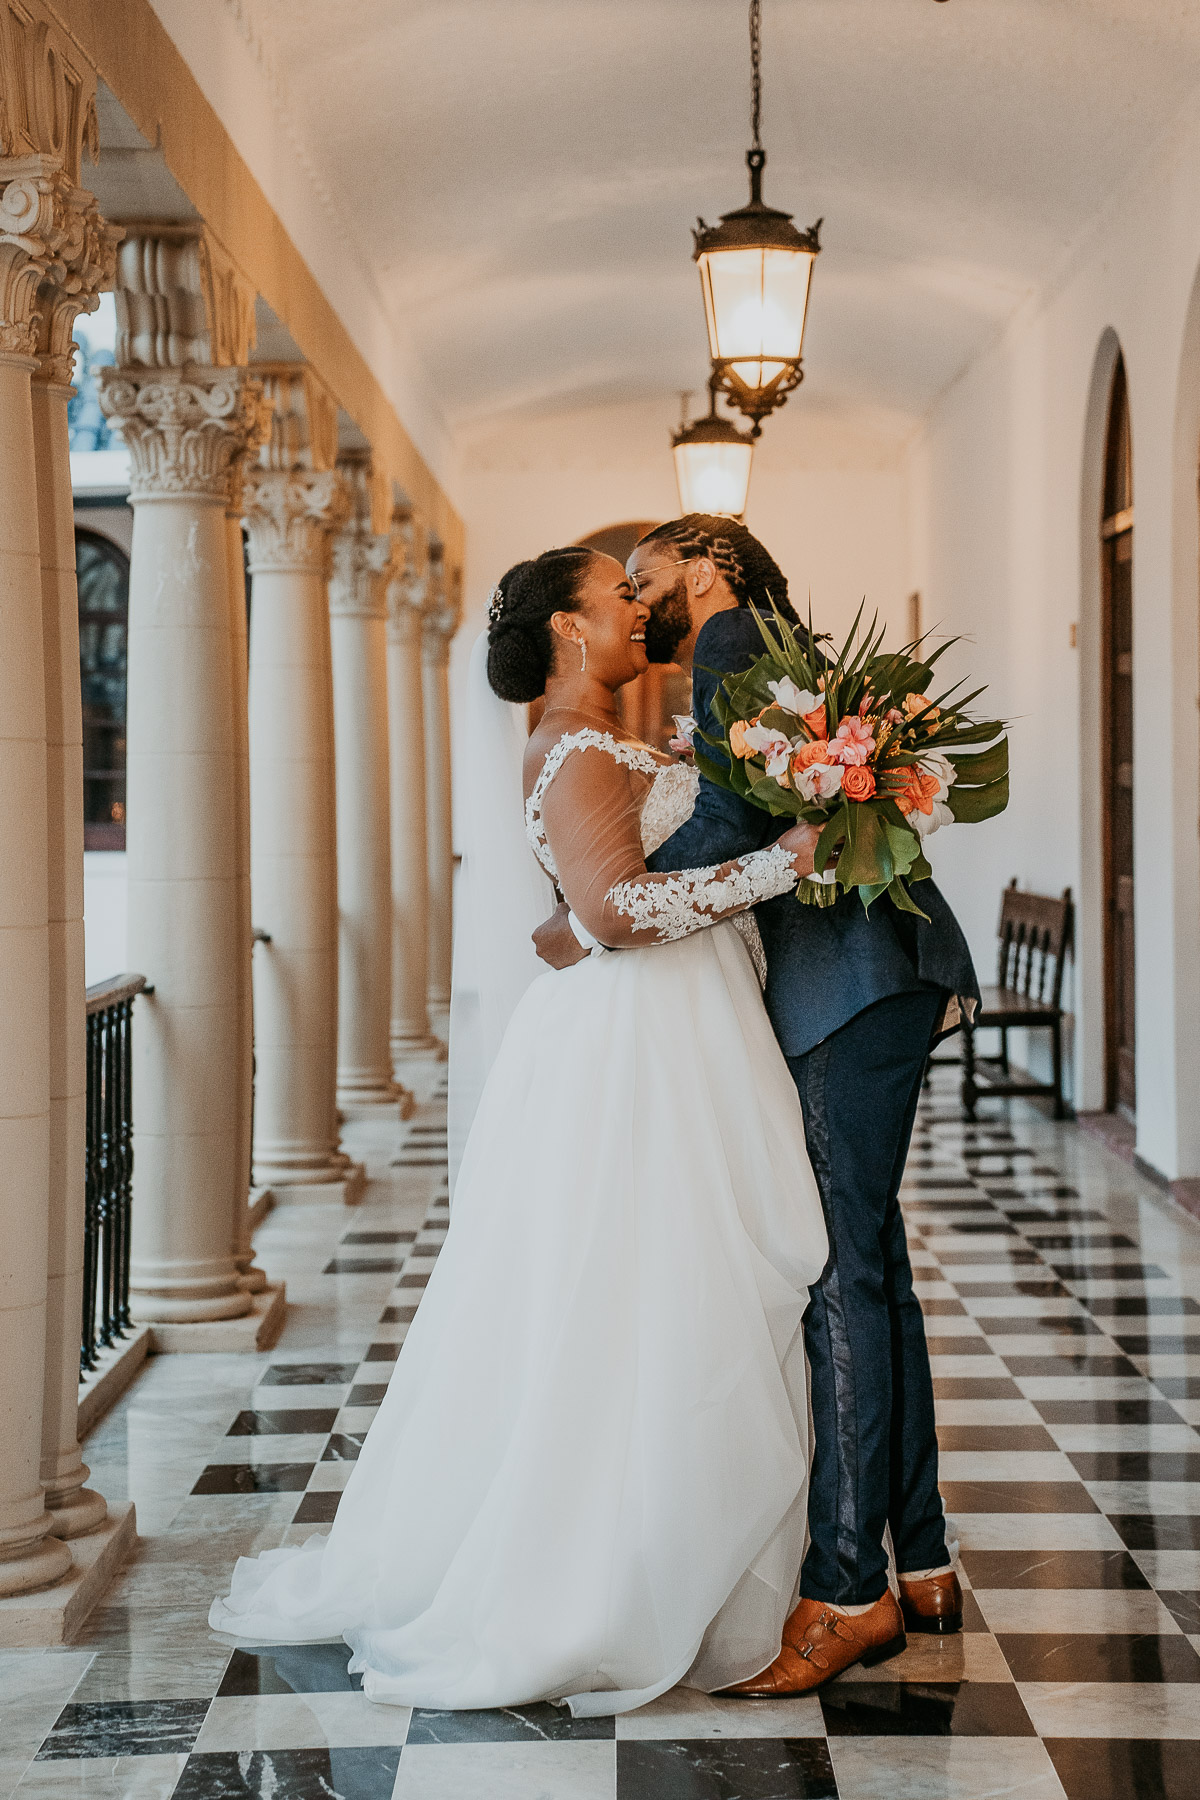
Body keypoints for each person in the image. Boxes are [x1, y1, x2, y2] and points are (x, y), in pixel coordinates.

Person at [210, 545, 832, 1715]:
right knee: (636, 1298)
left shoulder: (603, 739)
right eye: (614, 596)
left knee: (668, 1292)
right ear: (564, 630)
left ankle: (671, 1551)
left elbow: (583, 904)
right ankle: (598, 1582)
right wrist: (777, 866)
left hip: (676, 1027)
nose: (634, 607)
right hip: (642, 1041)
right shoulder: (573, 743)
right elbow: (615, 909)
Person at [534, 517, 980, 1692]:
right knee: (870, 1256)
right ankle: (921, 1556)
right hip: (883, 972)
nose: (641, 601)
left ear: (705, 559)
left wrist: (602, 913)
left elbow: (738, 823)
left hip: (847, 981)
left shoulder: (733, 638)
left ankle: (847, 1591)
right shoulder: (779, 643)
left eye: (648, 577)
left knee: (837, 1270)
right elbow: (763, 807)